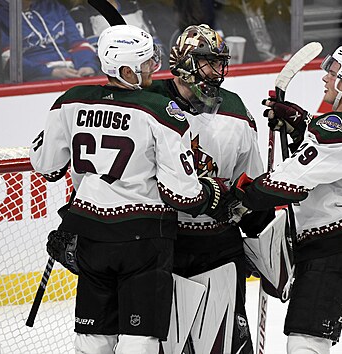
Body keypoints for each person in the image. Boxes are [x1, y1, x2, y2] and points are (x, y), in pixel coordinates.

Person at [30, 24, 237, 354]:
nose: (153, 68)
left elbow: (46, 165)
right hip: (144, 242)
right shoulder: (161, 112)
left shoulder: (69, 101)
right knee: (140, 338)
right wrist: (211, 194)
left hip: (91, 238)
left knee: (92, 337)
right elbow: (181, 195)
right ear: (126, 71)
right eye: (145, 64)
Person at [230, 43, 342, 353]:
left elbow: (290, 183)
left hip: (336, 252)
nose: (325, 78)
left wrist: (242, 193)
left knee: (307, 343)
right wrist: (299, 123)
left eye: (333, 73)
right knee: (310, 340)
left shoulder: (337, 129)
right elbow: (327, 159)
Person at [145, 23, 272, 353]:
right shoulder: (148, 102)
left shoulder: (236, 112)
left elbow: (251, 186)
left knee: (226, 345)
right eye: (207, 62)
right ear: (185, 61)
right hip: (163, 244)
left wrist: (263, 241)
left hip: (219, 247)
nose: (217, 71)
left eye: (220, 62)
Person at [0, 0, 98, 82]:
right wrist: (51, 72)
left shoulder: (53, 6)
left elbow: (78, 43)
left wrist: (87, 65)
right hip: (35, 80)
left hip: (73, 73)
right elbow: (8, 59)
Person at [68, 0, 166, 68]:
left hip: (149, 69)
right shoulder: (80, 13)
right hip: (116, 76)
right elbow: (91, 52)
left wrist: (155, 62)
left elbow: (155, 44)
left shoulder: (133, 6)